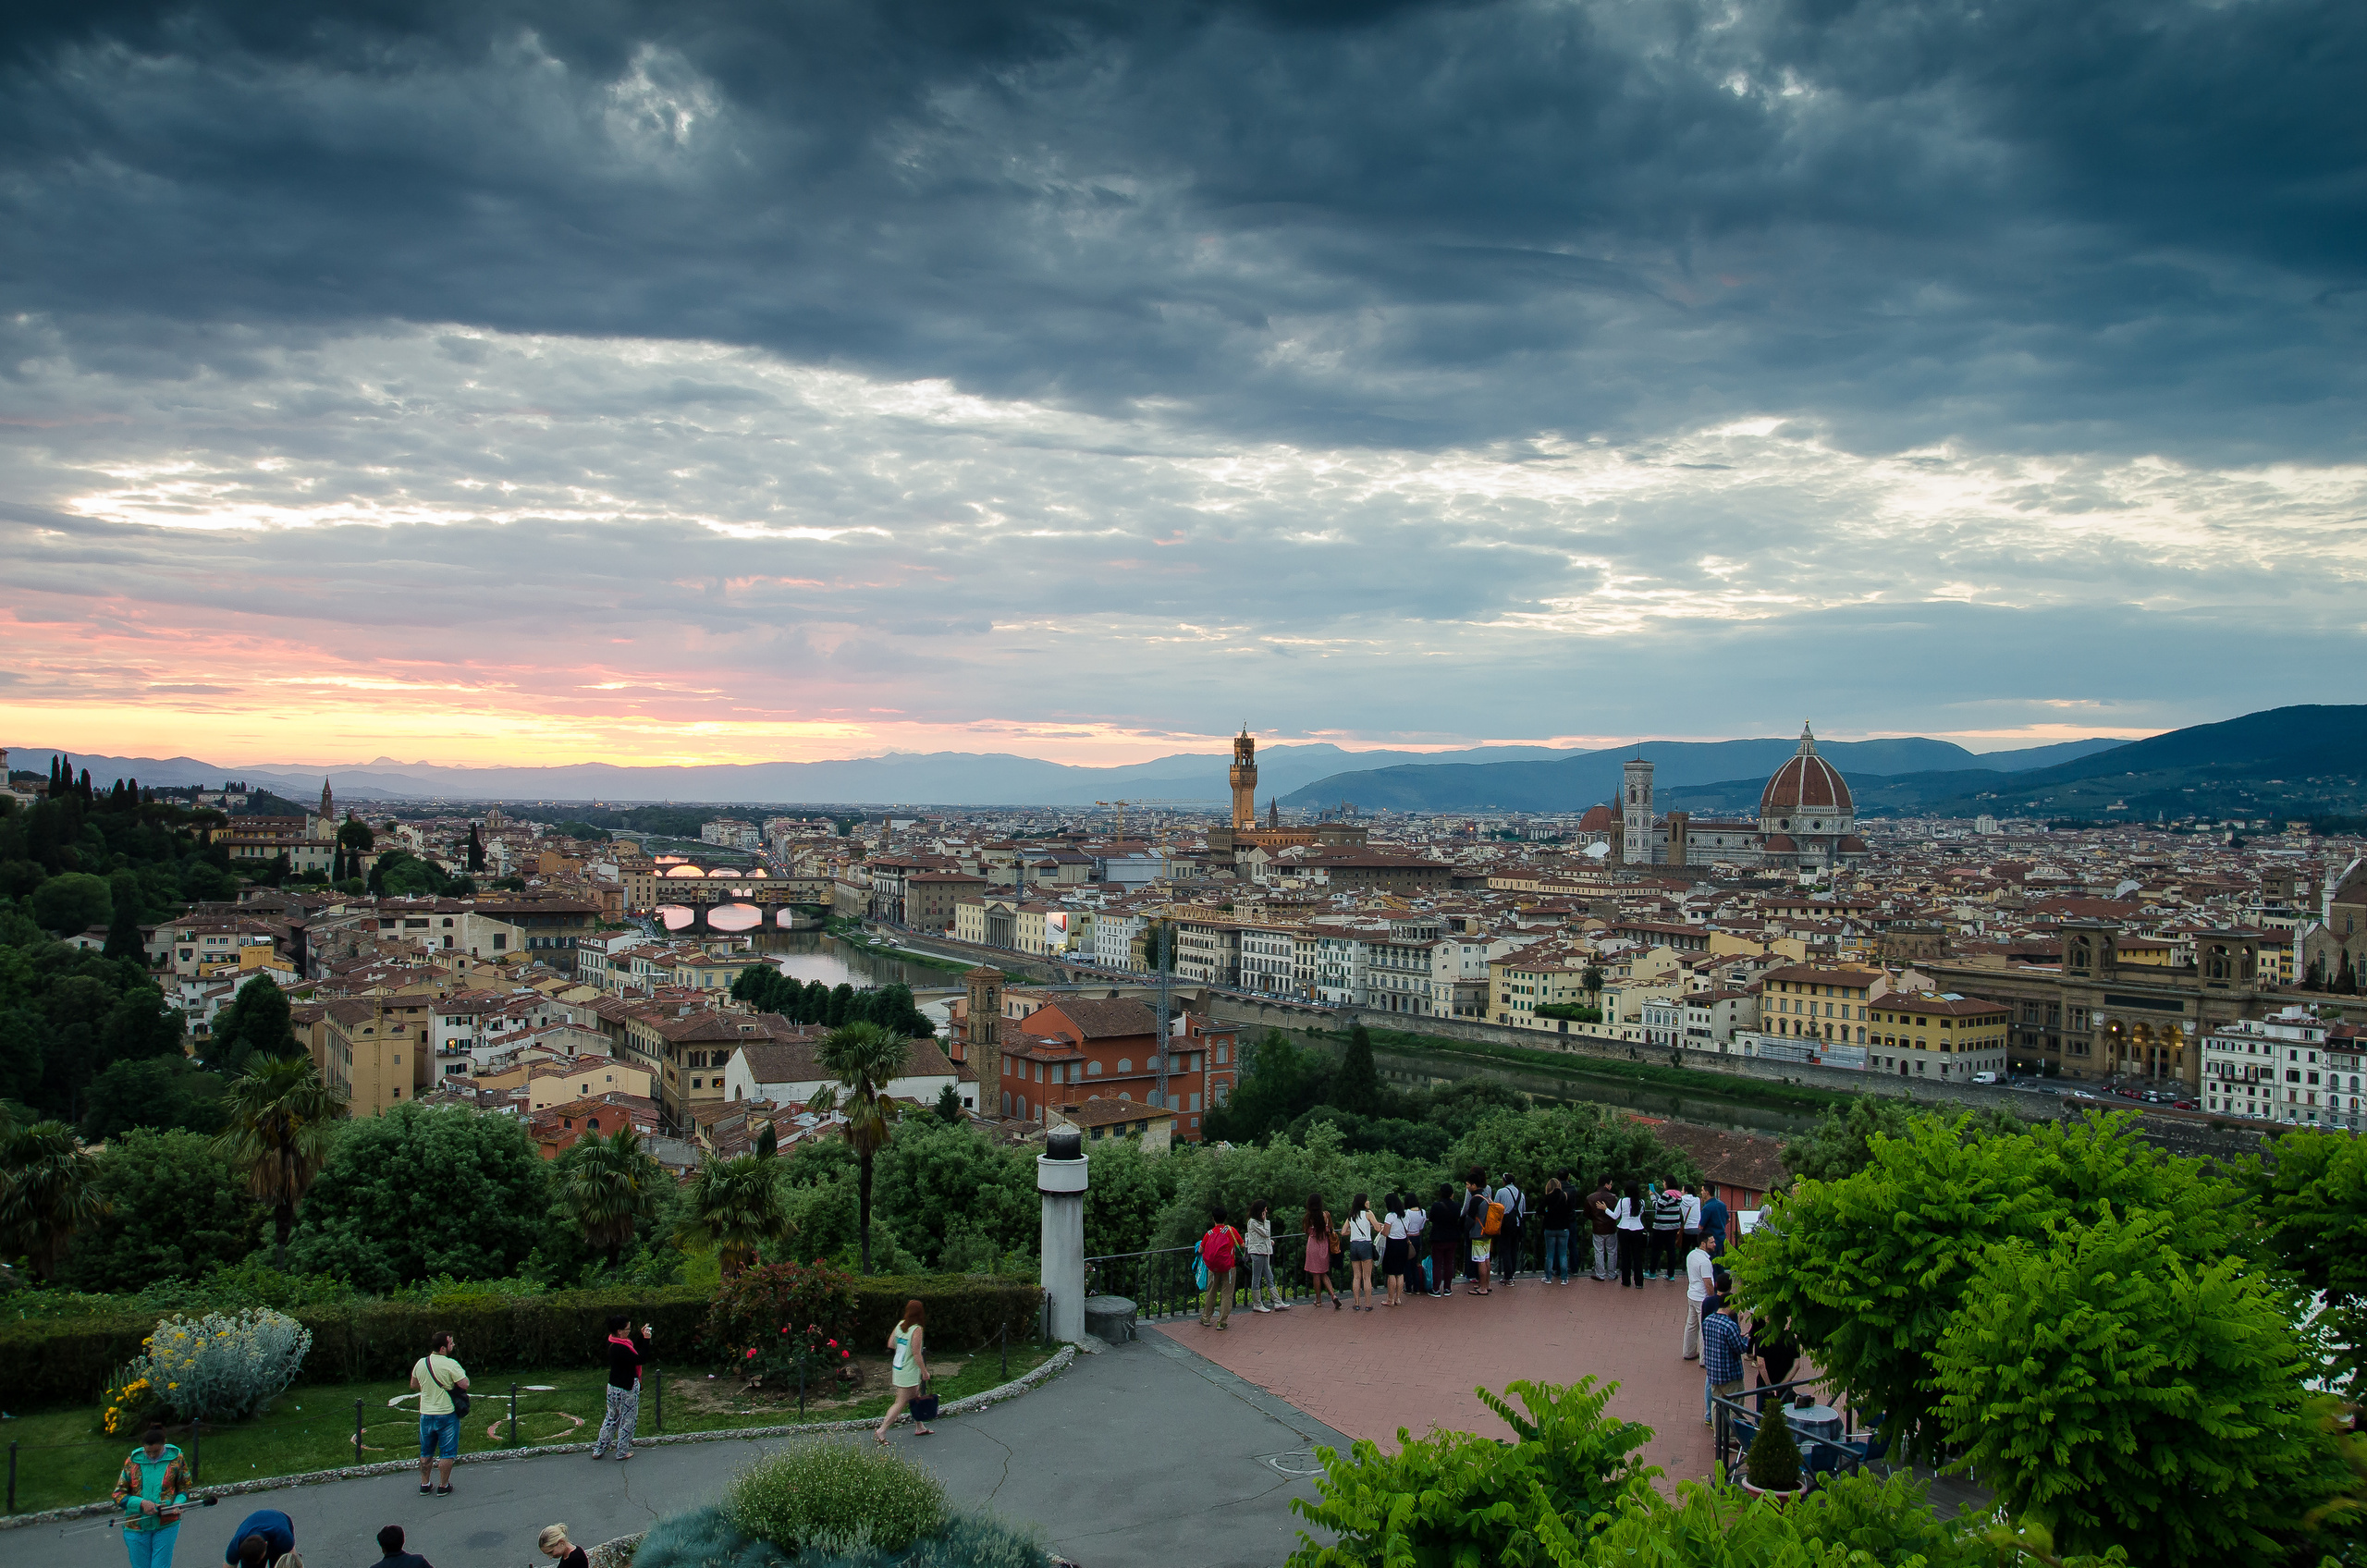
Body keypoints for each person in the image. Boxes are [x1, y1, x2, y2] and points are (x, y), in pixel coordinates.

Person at [112, 1425, 190, 1568]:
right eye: (148, 1452)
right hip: (136, 1526)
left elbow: (185, 1487)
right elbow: (118, 1494)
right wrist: (141, 1503)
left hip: (166, 1524)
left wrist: (178, 1503)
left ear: (164, 1443)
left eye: (156, 1451)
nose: (152, 1455)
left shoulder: (177, 1459)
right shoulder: (132, 1461)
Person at [409, 1330, 468, 1497]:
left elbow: (413, 1384)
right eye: (451, 1343)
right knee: (447, 1452)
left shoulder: (421, 1363)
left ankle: (425, 1483)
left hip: (426, 1413)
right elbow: (465, 1384)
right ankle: (443, 1485)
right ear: (443, 1348)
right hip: (447, 1413)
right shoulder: (450, 1364)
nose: (453, 1345)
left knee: (426, 1452)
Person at [591, 1314, 654, 1461]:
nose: (629, 1331)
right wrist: (647, 1339)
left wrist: (641, 1336)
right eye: (627, 1329)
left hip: (613, 1387)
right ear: (619, 1331)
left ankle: (599, 1449)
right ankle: (622, 1451)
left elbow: (632, 1351)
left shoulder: (613, 1342)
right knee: (627, 1420)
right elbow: (640, 1358)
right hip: (627, 1388)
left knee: (611, 1418)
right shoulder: (621, 1348)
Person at [876, 1298, 933, 1439]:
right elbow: (916, 1353)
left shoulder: (900, 1324)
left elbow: (891, 1343)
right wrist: (924, 1371)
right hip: (909, 1370)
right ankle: (882, 1430)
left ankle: (919, 1426)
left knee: (915, 1397)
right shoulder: (917, 1329)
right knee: (900, 1402)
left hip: (899, 1367)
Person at [1699, 1292, 1748, 1425]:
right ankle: (1731, 1434)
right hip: (1730, 1375)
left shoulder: (1708, 1321)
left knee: (1716, 1405)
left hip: (1714, 1373)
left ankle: (1718, 1433)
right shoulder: (1730, 1326)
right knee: (1735, 1407)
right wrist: (1746, 1340)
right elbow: (1740, 1348)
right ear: (1730, 1304)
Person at [1198, 1206, 1244, 1329]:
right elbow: (1242, 1244)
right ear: (1225, 1217)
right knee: (1227, 1294)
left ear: (1213, 1218)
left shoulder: (1209, 1233)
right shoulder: (1231, 1231)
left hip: (1213, 1267)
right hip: (1229, 1266)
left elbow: (1201, 1249)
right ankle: (1222, 1322)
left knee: (1211, 1292)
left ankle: (1206, 1318)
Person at [1245, 1200, 1289, 1312]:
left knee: (1269, 1276)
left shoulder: (1257, 1223)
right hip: (1257, 1253)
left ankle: (1277, 1301)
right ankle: (1257, 1303)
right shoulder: (1253, 1222)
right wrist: (1265, 1221)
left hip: (1263, 1252)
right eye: (1265, 1209)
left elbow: (1262, 1236)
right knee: (1257, 1277)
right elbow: (1266, 1233)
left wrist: (1269, 1242)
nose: (1266, 1211)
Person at [1750, 1317, 1799, 1414]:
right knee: (1785, 1414)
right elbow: (1797, 1365)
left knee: (1762, 1415)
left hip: (1764, 1387)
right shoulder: (1790, 1338)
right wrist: (1783, 1384)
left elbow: (1761, 1364)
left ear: (1767, 1319)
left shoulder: (1762, 1337)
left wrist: (1769, 1386)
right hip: (1785, 1387)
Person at [1681, 1231, 1716, 1359]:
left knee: (1691, 1325)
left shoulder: (1691, 1255)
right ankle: (1704, 1359)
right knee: (1704, 1328)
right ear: (1703, 1244)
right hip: (1702, 1298)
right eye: (1711, 1242)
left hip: (1692, 1295)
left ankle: (1688, 1352)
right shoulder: (1705, 1262)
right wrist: (1713, 1299)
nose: (1714, 1244)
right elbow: (1708, 1283)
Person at [1303, 1194, 1340, 1311]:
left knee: (1316, 1274)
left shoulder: (1309, 1217)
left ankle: (1318, 1300)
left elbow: (1306, 1231)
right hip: (1324, 1245)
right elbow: (1330, 1229)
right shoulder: (1326, 1215)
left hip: (1313, 1245)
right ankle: (1333, 1295)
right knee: (1323, 1272)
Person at [1460, 1171, 1494, 1295]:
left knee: (1480, 1260)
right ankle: (1487, 1284)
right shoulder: (1486, 1195)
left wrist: (1464, 1228)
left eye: (1468, 1184)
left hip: (1478, 1233)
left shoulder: (1475, 1199)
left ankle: (1483, 1288)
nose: (1467, 1187)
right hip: (1487, 1231)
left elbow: (1470, 1218)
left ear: (1474, 1185)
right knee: (1486, 1259)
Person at [1426, 1183, 1463, 1299]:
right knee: (1449, 1263)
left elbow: (1431, 1218)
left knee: (1437, 1264)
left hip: (1438, 1238)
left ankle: (1436, 1289)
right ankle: (1447, 1288)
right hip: (1452, 1238)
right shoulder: (1456, 1206)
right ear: (1452, 1194)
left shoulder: (1436, 1206)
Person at [224, 1509, 295, 1568]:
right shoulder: (236, 1545)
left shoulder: (283, 1536)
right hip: (256, 1524)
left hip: (278, 1521)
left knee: (279, 1564)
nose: (257, 1562)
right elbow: (228, 1566)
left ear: (266, 1544)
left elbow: (292, 1560)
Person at [1343, 1192, 1378, 1311]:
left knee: (1356, 1276)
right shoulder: (1368, 1213)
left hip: (1354, 1245)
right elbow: (1377, 1227)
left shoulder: (1351, 1215)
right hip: (1365, 1244)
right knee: (1366, 1277)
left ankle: (1357, 1303)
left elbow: (1343, 1231)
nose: (1368, 1202)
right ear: (1363, 1202)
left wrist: (1352, 1232)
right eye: (1367, 1200)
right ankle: (1368, 1304)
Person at [1538, 1176, 1574, 1285]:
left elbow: (1539, 1210)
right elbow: (1570, 1210)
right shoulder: (1565, 1196)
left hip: (1550, 1227)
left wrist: (1547, 1214)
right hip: (1563, 1227)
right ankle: (1564, 1278)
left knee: (1550, 1254)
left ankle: (1548, 1277)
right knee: (1563, 1253)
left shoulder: (1548, 1197)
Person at [1492, 1172, 1526, 1286]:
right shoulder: (1521, 1194)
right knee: (1513, 1249)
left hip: (1505, 1224)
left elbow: (1495, 1207)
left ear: (1504, 1181)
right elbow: (1523, 1210)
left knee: (1505, 1249)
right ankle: (1512, 1273)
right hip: (1517, 1224)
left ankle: (1508, 1276)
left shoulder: (1501, 1192)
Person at [1614, 1182, 1648, 1288]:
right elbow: (1640, 1214)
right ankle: (1639, 1282)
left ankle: (1626, 1280)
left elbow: (1615, 1216)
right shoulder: (1641, 1202)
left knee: (1625, 1255)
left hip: (1624, 1229)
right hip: (1638, 1229)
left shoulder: (1622, 1201)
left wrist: (1605, 1209)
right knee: (1637, 1256)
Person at [1380, 1194, 1410, 1307]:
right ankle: (1398, 1298)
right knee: (1400, 1272)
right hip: (1403, 1244)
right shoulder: (1405, 1214)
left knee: (1391, 1273)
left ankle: (1390, 1299)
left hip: (1392, 1244)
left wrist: (1382, 1229)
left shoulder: (1390, 1216)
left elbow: (1386, 1233)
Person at [1650, 1183, 1686, 1280]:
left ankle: (1652, 1272)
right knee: (1671, 1250)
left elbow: (1658, 1206)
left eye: (1664, 1182)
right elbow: (1665, 1202)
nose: (1663, 1184)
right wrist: (1656, 1193)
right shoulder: (1678, 1195)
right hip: (1673, 1225)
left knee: (1656, 1249)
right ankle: (1671, 1274)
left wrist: (1652, 1196)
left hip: (1661, 1226)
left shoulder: (1667, 1194)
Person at [1588, 1176, 1619, 1282]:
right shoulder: (1613, 1198)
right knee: (1612, 1251)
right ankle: (1612, 1273)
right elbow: (1617, 1213)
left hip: (1597, 1227)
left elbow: (1587, 1213)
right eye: (1610, 1184)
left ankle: (1600, 1274)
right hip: (1611, 1228)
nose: (1611, 1186)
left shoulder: (1591, 1198)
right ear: (1606, 1184)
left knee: (1599, 1251)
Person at [1699, 1188, 1731, 1258]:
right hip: (1721, 1236)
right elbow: (1728, 1219)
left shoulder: (1707, 1207)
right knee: (1720, 1259)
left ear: (1707, 1192)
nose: (1701, 1192)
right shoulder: (1722, 1204)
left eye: (1702, 1190)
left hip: (1710, 1238)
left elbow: (1701, 1225)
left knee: (1711, 1259)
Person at [1680, 1182, 1704, 1257]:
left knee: (1685, 1249)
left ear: (1686, 1192)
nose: (1681, 1192)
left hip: (1687, 1228)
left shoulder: (1681, 1200)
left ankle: (1685, 1263)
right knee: (1696, 1249)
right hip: (1697, 1228)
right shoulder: (1697, 1200)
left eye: (1682, 1190)